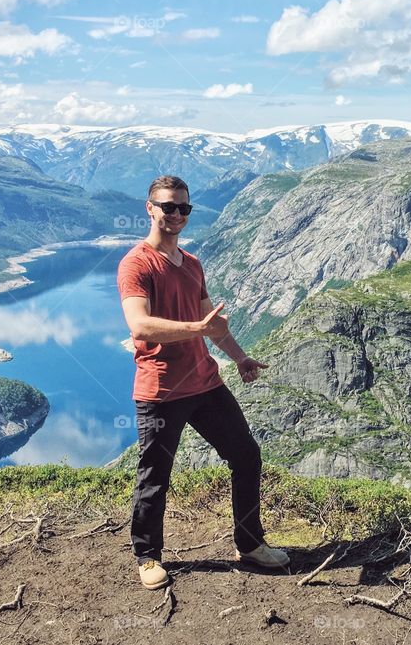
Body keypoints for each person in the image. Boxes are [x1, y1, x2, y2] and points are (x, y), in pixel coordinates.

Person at [116, 174, 290, 590]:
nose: (176, 215)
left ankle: (249, 545)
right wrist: (196, 327)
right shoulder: (136, 264)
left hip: (206, 384)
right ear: (150, 208)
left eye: (183, 208)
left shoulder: (192, 264)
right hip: (161, 389)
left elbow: (213, 326)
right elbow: (139, 326)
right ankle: (148, 556)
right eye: (167, 206)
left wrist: (240, 357)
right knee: (155, 473)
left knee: (246, 455)